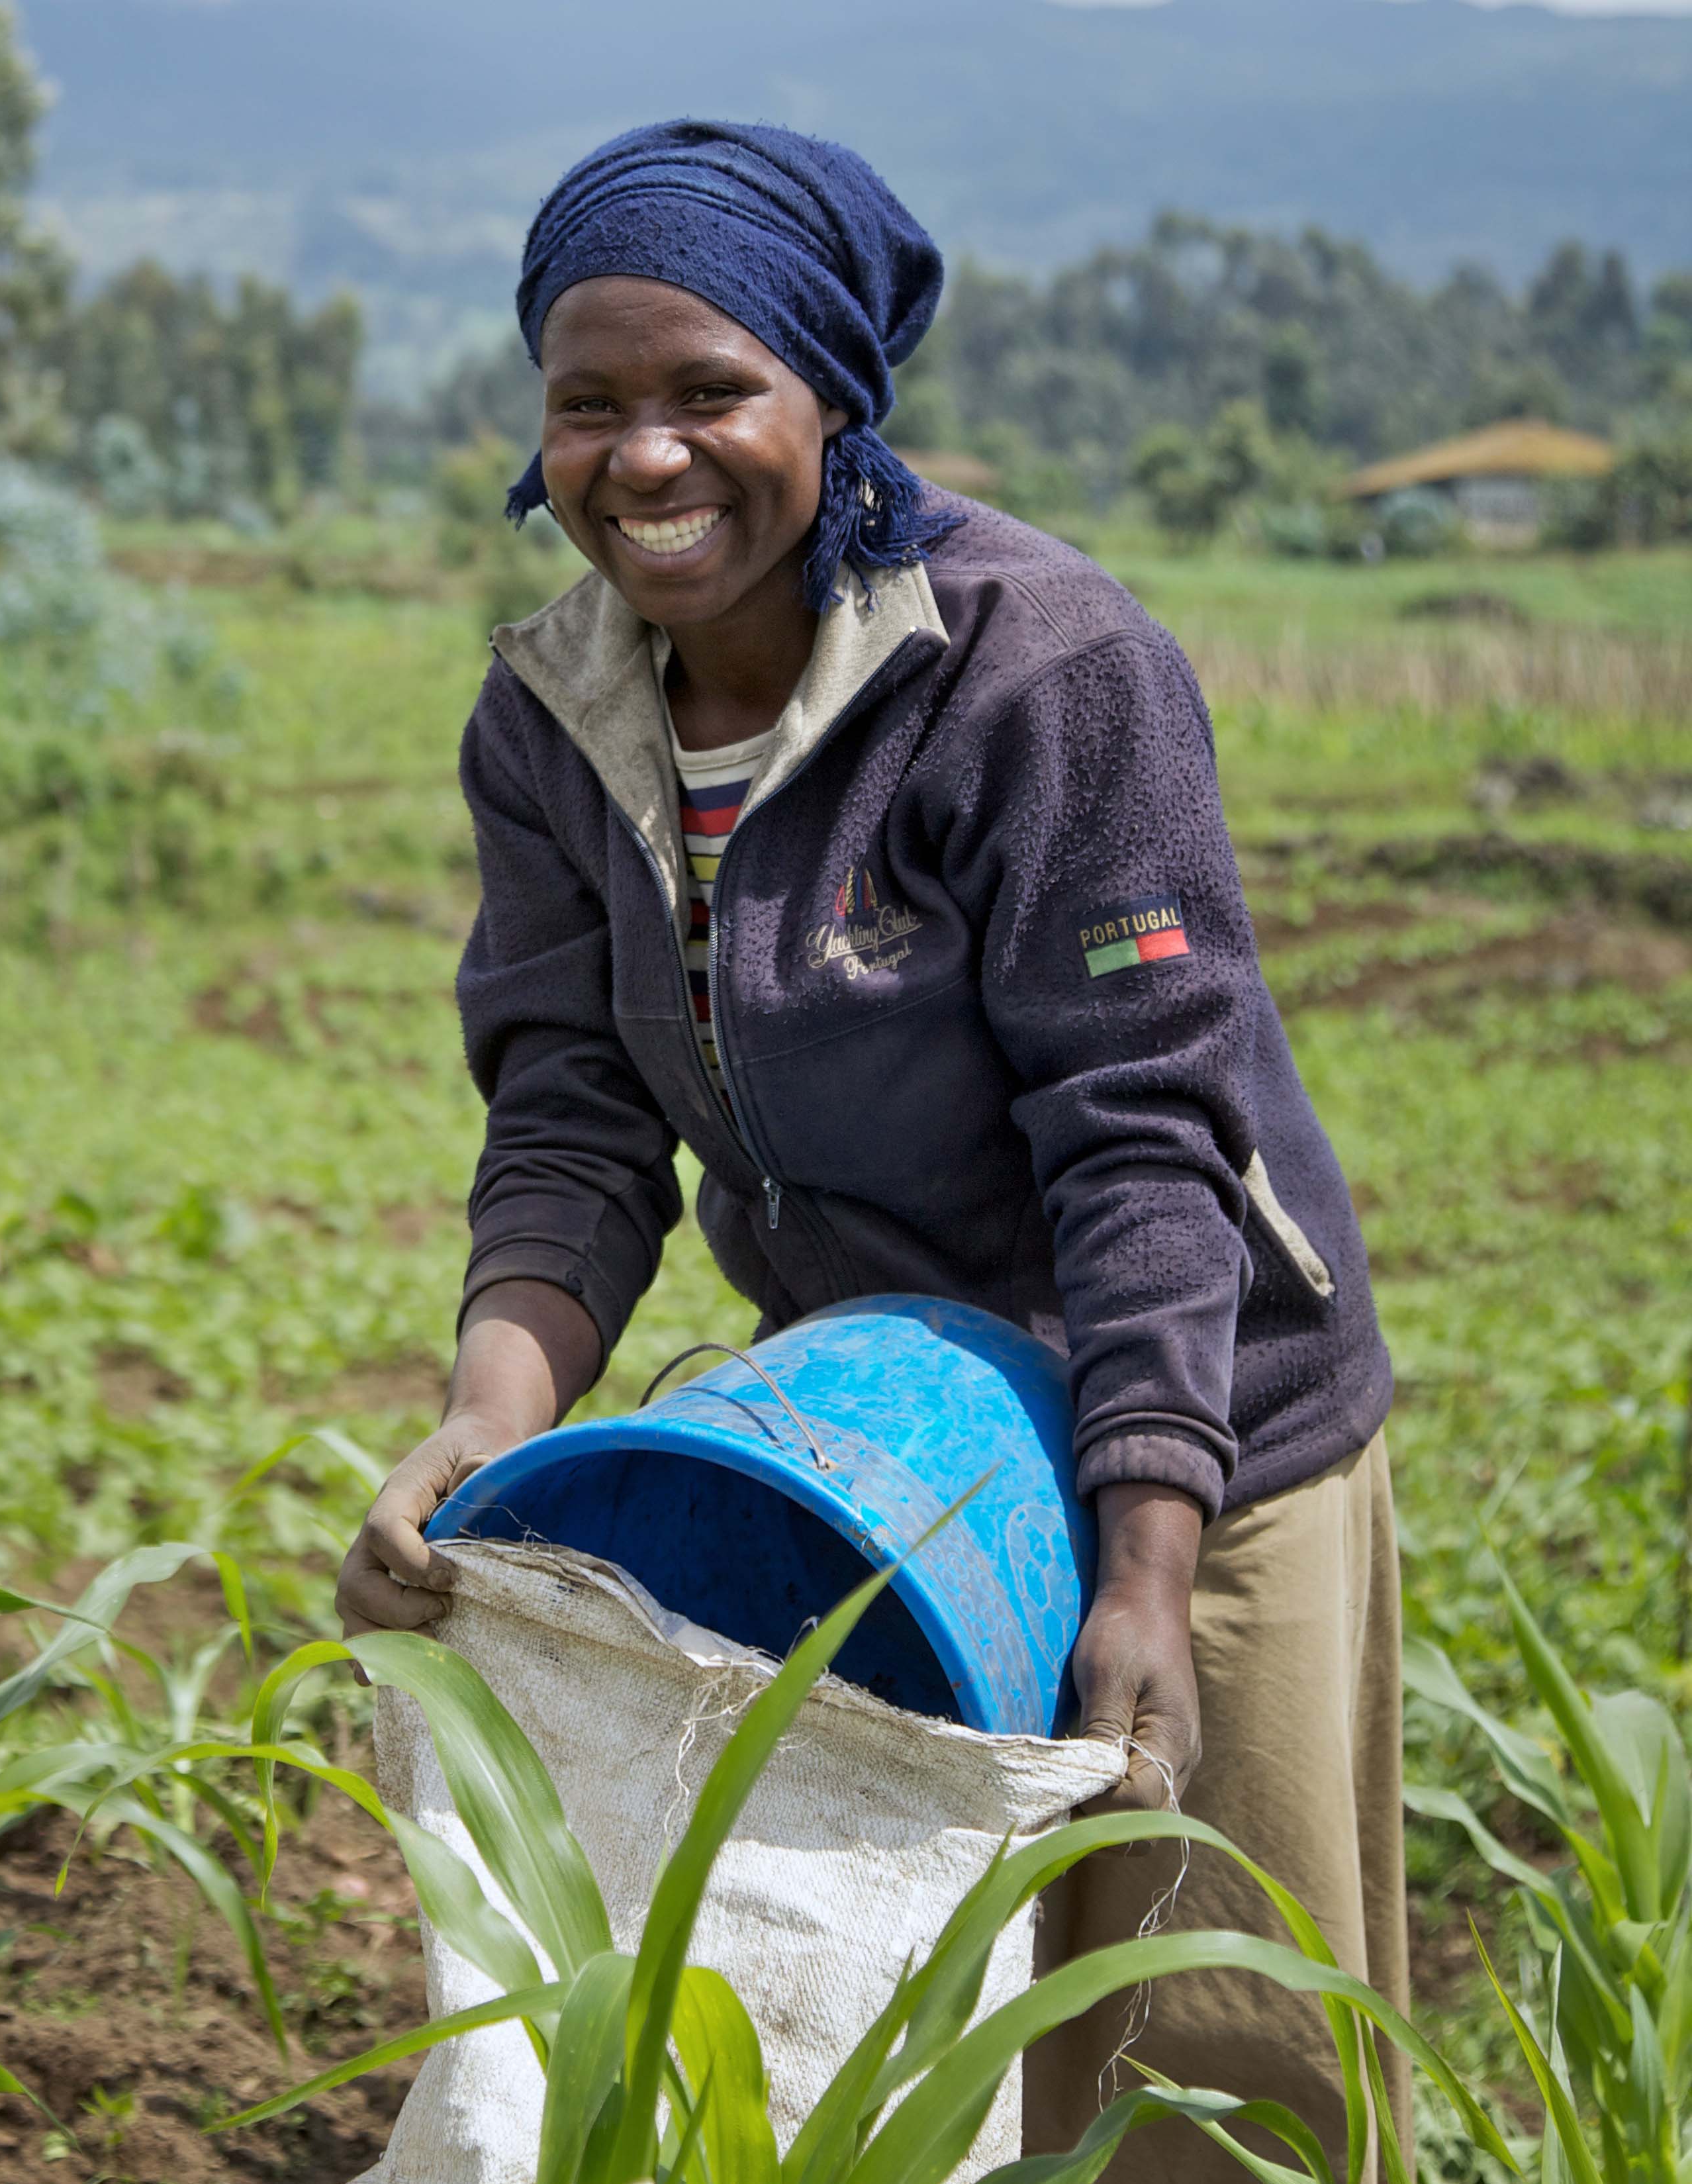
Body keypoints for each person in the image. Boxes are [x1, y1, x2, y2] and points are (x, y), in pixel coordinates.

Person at [332, 120, 1407, 2179]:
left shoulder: (1033, 674)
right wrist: (486, 1416)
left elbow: (1142, 1134)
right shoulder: (553, 718)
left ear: (829, 397)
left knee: (1211, 2033)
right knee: (906, 2026)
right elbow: (569, 1104)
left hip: (1206, 1426)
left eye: (709, 391)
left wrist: (1151, 1562)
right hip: (889, 1433)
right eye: (590, 405)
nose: (647, 458)